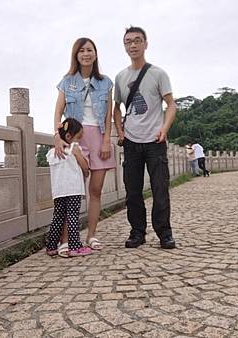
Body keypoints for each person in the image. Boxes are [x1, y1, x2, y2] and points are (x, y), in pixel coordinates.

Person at [113, 26, 177, 249]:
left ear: (146, 44)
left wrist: (164, 128)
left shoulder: (158, 74)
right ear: (124, 46)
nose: (133, 45)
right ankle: (137, 232)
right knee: (133, 190)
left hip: (155, 141)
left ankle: (164, 233)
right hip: (131, 141)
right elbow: (117, 108)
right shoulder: (120, 77)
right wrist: (120, 132)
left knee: (160, 188)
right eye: (128, 42)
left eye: (137, 41)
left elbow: (171, 105)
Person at [53, 37, 115, 251]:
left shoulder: (105, 82)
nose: (86, 54)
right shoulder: (67, 81)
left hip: (98, 136)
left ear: (95, 54)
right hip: (74, 138)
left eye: (89, 50)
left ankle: (91, 235)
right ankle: (65, 240)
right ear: (76, 55)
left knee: (95, 190)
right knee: (70, 190)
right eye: (81, 51)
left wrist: (107, 139)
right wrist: (57, 135)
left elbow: (108, 115)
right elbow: (58, 111)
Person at [45, 118, 92, 257]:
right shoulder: (75, 149)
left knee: (58, 217)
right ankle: (75, 246)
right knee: (72, 217)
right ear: (68, 137)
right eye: (78, 137)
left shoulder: (52, 152)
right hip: (73, 190)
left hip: (58, 191)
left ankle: (51, 246)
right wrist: (78, 154)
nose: (80, 141)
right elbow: (85, 168)